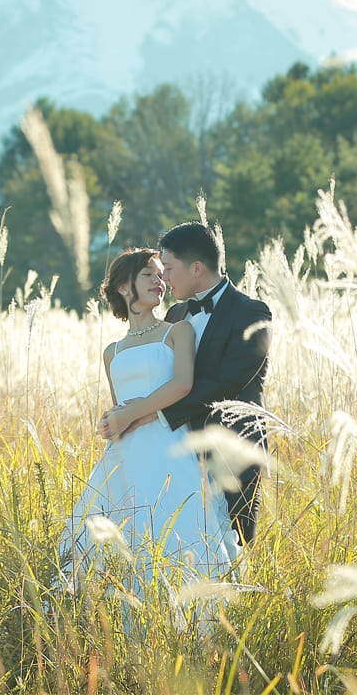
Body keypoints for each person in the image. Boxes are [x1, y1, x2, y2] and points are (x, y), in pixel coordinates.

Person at [61, 247, 237, 584]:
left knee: (180, 532)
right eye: (149, 275)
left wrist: (131, 415)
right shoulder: (112, 352)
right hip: (125, 457)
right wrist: (111, 421)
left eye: (161, 275)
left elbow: (183, 385)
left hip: (171, 447)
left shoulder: (177, 331)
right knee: (119, 536)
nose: (159, 281)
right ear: (125, 288)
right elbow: (119, 408)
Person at [104, 222, 272, 546]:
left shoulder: (251, 312)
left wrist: (149, 413)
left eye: (167, 268)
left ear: (196, 268)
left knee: (232, 546)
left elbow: (228, 382)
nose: (163, 278)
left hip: (232, 448)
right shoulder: (177, 314)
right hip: (177, 451)